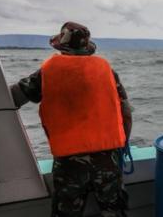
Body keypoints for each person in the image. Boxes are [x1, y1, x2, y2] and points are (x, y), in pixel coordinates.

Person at [10, 22, 132, 217]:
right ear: (86, 48)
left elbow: (14, 97)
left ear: (62, 47)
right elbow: (125, 111)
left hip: (69, 162)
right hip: (107, 159)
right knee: (114, 211)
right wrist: (123, 144)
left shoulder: (48, 71)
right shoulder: (107, 70)